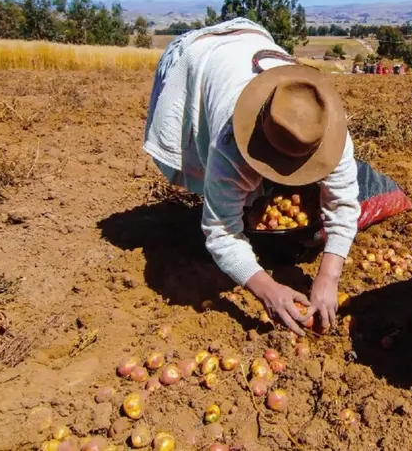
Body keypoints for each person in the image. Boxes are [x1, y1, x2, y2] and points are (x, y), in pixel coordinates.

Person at [143, 18, 360, 335]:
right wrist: (267, 289)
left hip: (251, 38)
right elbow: (222, 232)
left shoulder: (326, 131)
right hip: (201, 56)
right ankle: (231, 197)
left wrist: (328, 276)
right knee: (223, 193)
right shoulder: (228, 144)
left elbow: (343, 204)